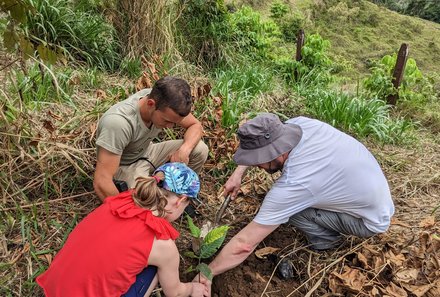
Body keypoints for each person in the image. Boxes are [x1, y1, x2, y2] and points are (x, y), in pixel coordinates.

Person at [196, 113, 394, 290]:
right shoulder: (297, 126)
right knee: (287, 205)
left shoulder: (298, 182)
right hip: (369, 191)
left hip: (368, 220)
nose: (255, 165)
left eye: (258, 160)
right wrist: (237, 174)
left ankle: (327, 241)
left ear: (274, 152)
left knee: (292, 211)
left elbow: (244, 244)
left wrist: (208, 272)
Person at [37, 162, 209, 297]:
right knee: (155, 269)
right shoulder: (162, 245)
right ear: (180, 201)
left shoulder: (120, 202)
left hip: (54, 289)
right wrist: (192, 288)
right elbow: (174, 292)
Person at [94, 76, 208, 201]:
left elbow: (195, 125)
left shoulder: (163, 101)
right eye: (167, 121)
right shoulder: (118, 123)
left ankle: (178, 195)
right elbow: (102, 181)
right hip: (124, 165)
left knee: (199, 149)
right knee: (146, 198)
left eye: (175, 123)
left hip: (147, 152)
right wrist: (123, 210)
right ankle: (154, 200)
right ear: (150, 104)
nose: (170, 127)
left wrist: (184, 150)